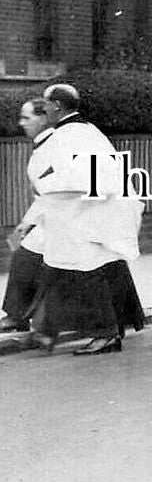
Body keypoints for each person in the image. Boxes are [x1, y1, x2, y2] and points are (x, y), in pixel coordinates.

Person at [28, 84, 144, 355]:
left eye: (45, 104)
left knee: (86, 273)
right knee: (105, 268)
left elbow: (76, 178)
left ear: (57, 105)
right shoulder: (89, 131)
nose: (42, 109)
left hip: (85, 217)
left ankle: (105, 335)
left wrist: (42, 186)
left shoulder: (68, 136)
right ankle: (111, 328)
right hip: (99, 213)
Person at [0, 99, 54, 334]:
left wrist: (27, 223)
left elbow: (51, 193)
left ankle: (17, 316)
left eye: (27, 118)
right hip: (50, 215)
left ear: (43, 118)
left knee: (27, 254)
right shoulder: (43, 144)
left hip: (61, 217)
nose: (21, 123)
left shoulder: (53, 145)